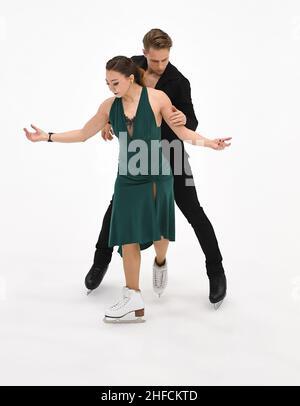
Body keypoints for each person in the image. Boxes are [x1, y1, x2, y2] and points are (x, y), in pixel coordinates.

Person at [23, 55, 231, 322]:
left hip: (158, 176)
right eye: (107, 83)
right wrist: (47, 137)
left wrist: (209, 143)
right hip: (128, 180)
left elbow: (182, 133)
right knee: (127, 237)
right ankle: (133, 298)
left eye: (115, 82)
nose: (111, 88)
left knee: (159, 233)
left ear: (130, 78)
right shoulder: (109, 107)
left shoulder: (157, 99)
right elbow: (83, 134)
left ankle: (160, 261)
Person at [86, 28, 230, 309]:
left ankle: (216, 272)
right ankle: (99, 262)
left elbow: (192, 125)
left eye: (165, 60)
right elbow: (116, 103)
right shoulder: (131, 68)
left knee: (193, 210)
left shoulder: (178, 81)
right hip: (138, 157)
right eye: (155, 61)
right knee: (116, 207)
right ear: (144, 55)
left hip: (171, 153)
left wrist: (183, 116)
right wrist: (105, 122)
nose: (160, 66)